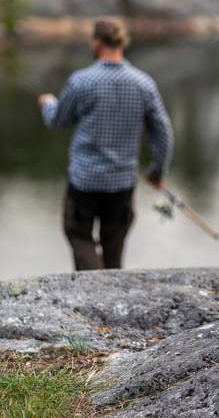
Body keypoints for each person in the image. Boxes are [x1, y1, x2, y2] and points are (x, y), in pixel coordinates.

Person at [38, 18, 174, 270]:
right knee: (114, 242)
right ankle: (112, 290)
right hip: (121, 182)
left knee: (78, 235)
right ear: (122, 43)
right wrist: (157, 171)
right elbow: (163, 131)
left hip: (84, 181)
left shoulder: (81, 81)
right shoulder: (144, 83)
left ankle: (93, 286)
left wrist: (47, 104)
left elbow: (57, 121)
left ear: (97, 43)